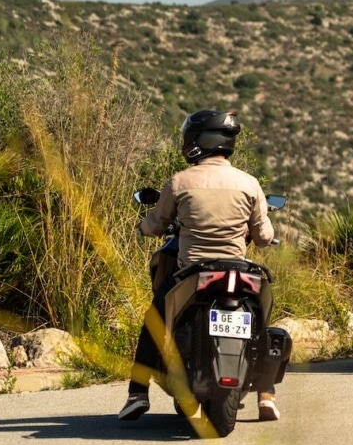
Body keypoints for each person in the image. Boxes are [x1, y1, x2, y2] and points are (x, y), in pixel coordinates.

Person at [118, 109, 281, 422]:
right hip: (239, 270)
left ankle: (137, 393)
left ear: (196, 141)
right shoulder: (249, 183)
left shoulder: (180, 181)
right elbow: (263, 236)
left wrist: (144, 227)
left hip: (192, 272)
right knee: (261, 325)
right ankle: (266, 396)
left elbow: (154, 225)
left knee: (154, 320)